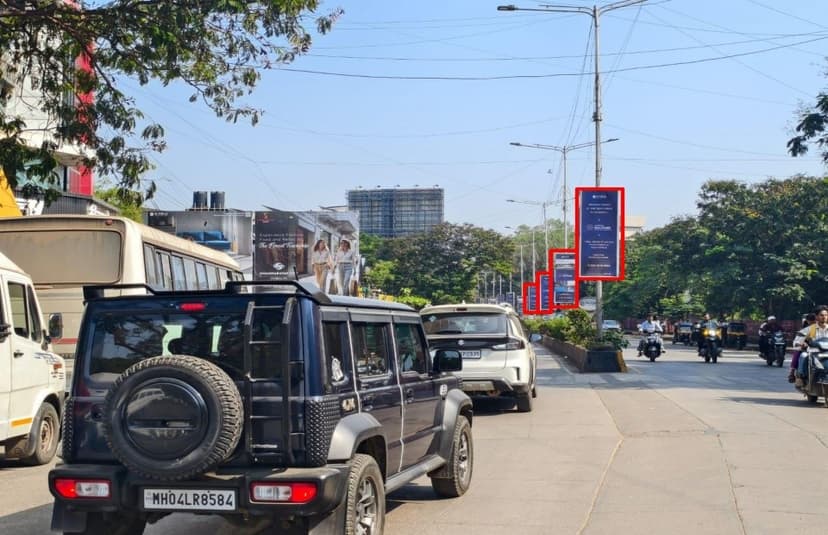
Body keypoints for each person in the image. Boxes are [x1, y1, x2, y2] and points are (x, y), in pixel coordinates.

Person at [791, 305, 828, 387]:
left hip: (827, 353)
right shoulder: (810, 329)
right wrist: (800, 344)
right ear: (817, 317)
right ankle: (801, 378)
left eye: (826, 315)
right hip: (813, 353)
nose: (824, 317)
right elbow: (797, 341)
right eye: (821, 315)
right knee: (803, 356)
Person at [789, 313, 816, 383]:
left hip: (823, 349)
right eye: (811, 321)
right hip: (808, 348)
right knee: (799, 353)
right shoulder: (805, 329)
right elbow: (797, 340)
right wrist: (802, 344)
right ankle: (792, 372)